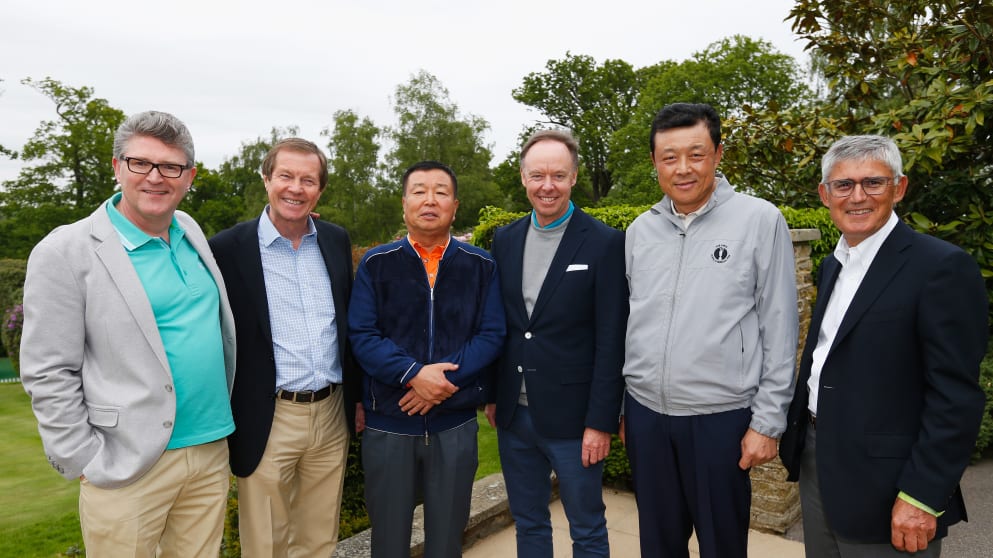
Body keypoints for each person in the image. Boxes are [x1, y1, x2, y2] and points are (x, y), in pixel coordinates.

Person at [19, 110, 236, 557]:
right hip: (128, 463)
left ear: (189, 176)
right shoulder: (65, 251)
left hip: (210, 450)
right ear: (118, 167)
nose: (155, 177)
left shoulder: (190, 229)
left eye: (170, 166)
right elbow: (46, 369)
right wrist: (83, 457)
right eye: (141, 163)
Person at [779, 135, 988, 557]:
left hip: (891, 483)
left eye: (873, 182)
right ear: (825, 194)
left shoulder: (941, 267)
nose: (857, 196)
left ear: (899, 187)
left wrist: (922, 495)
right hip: (818, 460)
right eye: (843, 185)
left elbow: (956, 397)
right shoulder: (833, 264)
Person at [621, 102, 799, 558]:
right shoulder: (640, 231)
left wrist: (768, 422)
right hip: (646, 417)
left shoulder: (759, 221)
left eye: (696, 154)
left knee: (722, 546)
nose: (683, 168)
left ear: (718, 154)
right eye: (669, 157)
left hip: (721, 419)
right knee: (658, 546)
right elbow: (631, 323)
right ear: (654, 162)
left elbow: (780, 326)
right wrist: (624, 409)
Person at [209, 138, 361, 557]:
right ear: (266, 180)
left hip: (331, 413)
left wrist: (358, 396)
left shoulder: (334, 240)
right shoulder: (226, 249)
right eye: (286, 176)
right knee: (266, 543)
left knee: (319, 538)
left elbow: (347, 325)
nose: (296, 188)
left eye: (308, 180)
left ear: (320, 190)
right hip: (268, 415)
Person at [348, 160, 506, 557]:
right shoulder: (376, 263)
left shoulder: (481, 264)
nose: (430, 200)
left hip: (455, 424)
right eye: (419, 191)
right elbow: (363, 334)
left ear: (455, 205)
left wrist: (441, 383)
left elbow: (491, 334)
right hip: (389, 423)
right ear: (404, 203)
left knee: (448, 539)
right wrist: (413, 374)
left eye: (441, 192)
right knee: (388, 541)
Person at [485, 129, 628, 557]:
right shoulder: (505, 240)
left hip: (575, 421)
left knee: (586, 527)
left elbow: (611, 340)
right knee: (528, 522)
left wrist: (600, 422)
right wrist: (493, 395)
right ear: (523, 178)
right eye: (538, 175)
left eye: (558, 176)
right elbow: (502, 326)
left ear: (574, 177)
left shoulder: (605, 243)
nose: (547, 186)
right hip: (514, 417)